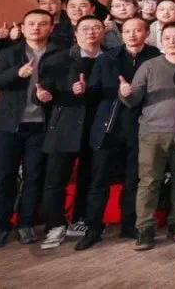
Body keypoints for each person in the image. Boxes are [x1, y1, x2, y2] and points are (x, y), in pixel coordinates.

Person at [77, 17, 159, 250]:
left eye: (138, 30)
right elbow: (95, 92)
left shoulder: (155, 57)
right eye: (127, 31)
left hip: (141, 127)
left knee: (134, 180)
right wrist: (84, 90)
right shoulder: (107, 58)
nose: (132, 35)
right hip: (109, 126)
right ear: (121, 34)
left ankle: (129, 225)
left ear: (147, 33)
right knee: (99, 180)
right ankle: (93, 228)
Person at [0, 9, 54, 250]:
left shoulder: (57, 54)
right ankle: (1, 227)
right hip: (7, 126)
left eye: (42, 24)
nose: (36, 28)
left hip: (40, 126)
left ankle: (26, 223)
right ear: (22, 28)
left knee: (34, 177)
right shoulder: (9, 53)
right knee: (4, 177)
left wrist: (51, 95)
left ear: (51, 28)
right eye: (31, 24)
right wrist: (17, 73)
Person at [120, 21, 175, 250]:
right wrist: (125, 93)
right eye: (167, 37)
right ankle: (145, 228)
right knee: (149, 181)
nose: (172, 41)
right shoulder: (150, 66)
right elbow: (133, 99)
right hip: (152, 132)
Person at [38, 15, 105, 250]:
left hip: (96, 128)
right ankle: (55, 224)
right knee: (55, 180)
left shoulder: (109, 59)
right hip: (64, 126)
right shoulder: (58, 59)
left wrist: (89, 91)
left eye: (96, 28)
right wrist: (43, 97)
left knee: (90, 178)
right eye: (85, 29)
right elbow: (44, 91)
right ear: (76, 34)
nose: (91, 32)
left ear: (103, 32)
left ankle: (81, 220)